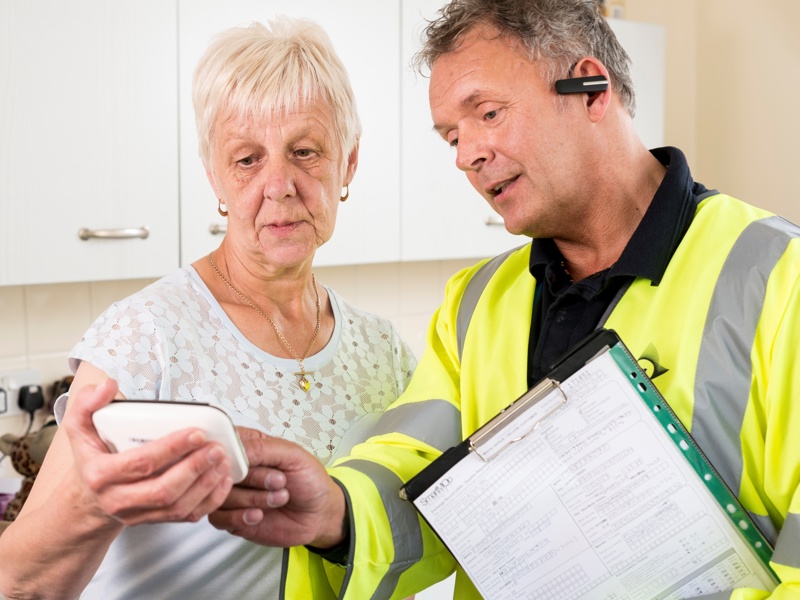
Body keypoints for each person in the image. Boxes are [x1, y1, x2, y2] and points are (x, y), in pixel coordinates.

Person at [201, 0, 800, 598]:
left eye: (488, 113)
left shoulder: (780, 278)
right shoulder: (476, 303)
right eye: (452, 136)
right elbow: (419, 473)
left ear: (593, 89)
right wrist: (336, 513)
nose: (467, 155)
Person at [0, 17, 417, 600]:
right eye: (247, 159)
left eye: (304, 151)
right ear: (214, 177)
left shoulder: (385, 351)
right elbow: (18, 581)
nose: (279, 185)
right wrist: (89, 507)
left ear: (347, 163)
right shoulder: (144, 335)